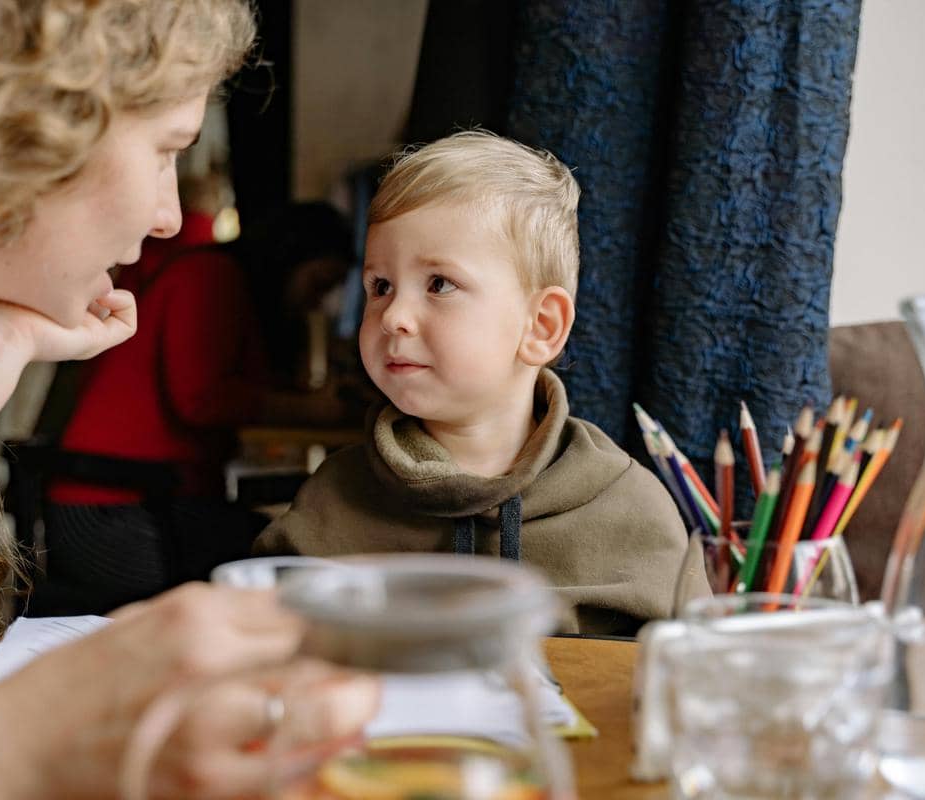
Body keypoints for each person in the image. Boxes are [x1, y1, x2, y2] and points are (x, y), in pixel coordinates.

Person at [0, 1, 376, 796]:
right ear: (27, 122)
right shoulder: (210, 278)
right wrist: (25, 735)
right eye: (168, 149)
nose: (169, 218)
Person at [255, 131, 709, 635]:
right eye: (380, 286)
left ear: (541, 327)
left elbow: (689, 683)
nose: (393, 317)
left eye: (439, 284)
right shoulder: (331, 501)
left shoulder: (632, 512)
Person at [41, 168, 271, 614]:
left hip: (91, 504)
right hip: (121, 515)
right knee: (290, 558)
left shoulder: (152, 267)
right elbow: (199, 400)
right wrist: (305, 409)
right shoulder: (206, 271)